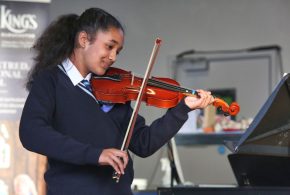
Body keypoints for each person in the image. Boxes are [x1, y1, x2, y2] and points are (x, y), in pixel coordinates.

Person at [19, 7, 213, 195]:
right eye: (109, 46)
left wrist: (181, 109)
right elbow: (31, 132)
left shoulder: (114, 88)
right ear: (84, 40)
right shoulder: (51, 81)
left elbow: (143, 144)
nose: (113, 57)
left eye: (117, 51)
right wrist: (96, 154)